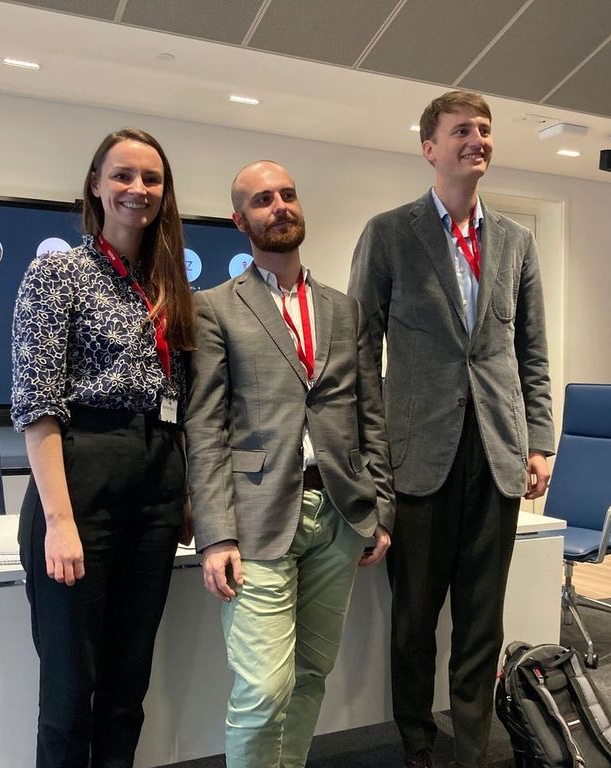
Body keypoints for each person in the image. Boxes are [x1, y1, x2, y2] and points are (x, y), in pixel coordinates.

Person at [348, 91, 555, 768]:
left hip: (496, 452)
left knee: (481, 619)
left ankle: (471, 749)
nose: (478, 140)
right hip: (416, 457)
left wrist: (540, 441)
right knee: (413, 620)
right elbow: (360, 350)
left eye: (485, 130)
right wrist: (370, 450)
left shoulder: (517, 242)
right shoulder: (389, 233)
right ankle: (416, 742)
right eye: (462, 130)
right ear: (429, 148)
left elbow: (531, 351)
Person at [185, 160, 395, 768]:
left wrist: (381, 508)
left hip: (339, 515)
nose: (279, 206)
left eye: (287, 195)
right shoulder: (214, 307)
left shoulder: (345, 310)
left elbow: (370, 413)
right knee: (262, 689)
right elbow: (205, 426)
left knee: (310, 674)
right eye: (262, 199)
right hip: (256, 518)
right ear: (240, 220)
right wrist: (214, 533)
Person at [10, 127, 195, 768]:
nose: (137, 189)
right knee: (69, 695)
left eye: (151, 178)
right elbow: (36, 403)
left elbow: (181, 398)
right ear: (95, 185)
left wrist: (184, 492)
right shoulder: (57, 272)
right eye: (122, 175)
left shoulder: (169, 284)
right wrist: (59, 522)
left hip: (157, 482)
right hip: (81, 479)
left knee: (126, 690)